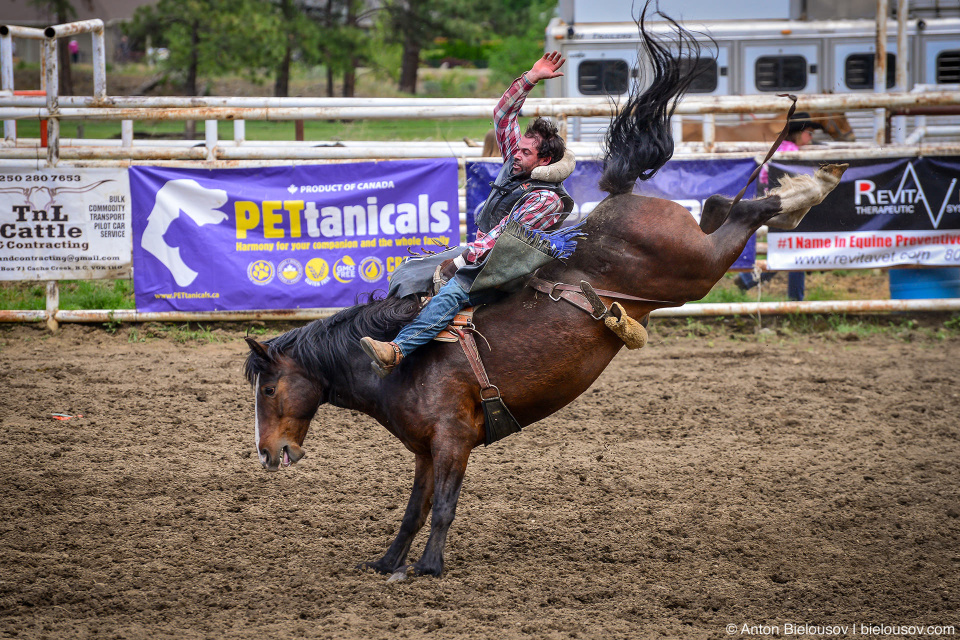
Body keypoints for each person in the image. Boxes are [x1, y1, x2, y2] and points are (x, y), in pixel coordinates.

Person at [361, 51, 575, 377]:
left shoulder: (546, 199)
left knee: (455, 288)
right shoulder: (519, 165)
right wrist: (530, 78)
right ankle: (387, 325)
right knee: (411, 270)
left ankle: (397, 350)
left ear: (543, 161)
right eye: (517, 147)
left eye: (525, 151)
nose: (515, 153)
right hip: (481, 255)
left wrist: (461, 261)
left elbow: (504, 236)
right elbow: (503, 116)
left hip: (508, 269)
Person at [735, 111, 822, 300]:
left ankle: (749, 279)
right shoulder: (792, 152)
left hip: (769, 200)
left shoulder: (779, 147)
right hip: (783, 204)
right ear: (800, 133)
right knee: (795, 249)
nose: (811, 137)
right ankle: (754, 281)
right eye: (809, 132)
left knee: (790, 248)